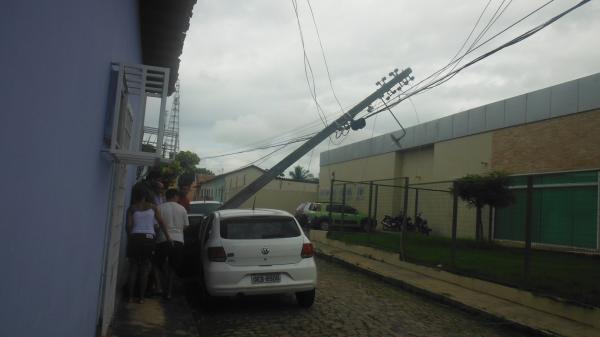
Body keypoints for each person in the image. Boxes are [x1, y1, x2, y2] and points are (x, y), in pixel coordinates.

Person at [126, 184, 172, 304]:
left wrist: (131, 238)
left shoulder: (131, 208)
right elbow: (161, 223)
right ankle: (141, 298)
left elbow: (128, 226)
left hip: (135, 238)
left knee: (133, 268)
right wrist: (168, 237)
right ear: (146, 195)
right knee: (145, 269)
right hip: (149, 239)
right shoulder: (153, 207)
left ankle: (130, 297)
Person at [156, 188, 189, 299]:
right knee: (172, 267)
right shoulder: (182, 209)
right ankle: (169, 292)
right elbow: (185, 226)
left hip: (162, 239)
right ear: (175, 196)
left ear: (166, 196)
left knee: (158, 264)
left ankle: (160, 287)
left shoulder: (159, 208)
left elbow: (156, 225)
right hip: (178, 240)